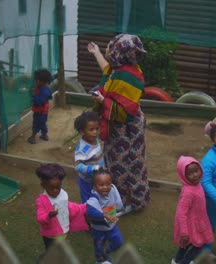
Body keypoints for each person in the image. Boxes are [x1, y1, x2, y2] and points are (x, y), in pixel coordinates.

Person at [87, 34, 150, 213]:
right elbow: (107, 70)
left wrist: (102, 100)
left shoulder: (129, 75)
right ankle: (121, 198)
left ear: (118, 52)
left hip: (127, 130)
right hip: (117, 127)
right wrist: (96, 53)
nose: (108, 49)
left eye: (109, 46)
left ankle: (131, 202)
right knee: (114, 163)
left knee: (128, 165)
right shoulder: (119, 69)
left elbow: (123, 111)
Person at [35, 163, 88, 252]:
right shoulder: (41, 201)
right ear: (43, 186)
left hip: (64, 230)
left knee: (60, 250)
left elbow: (67, 206)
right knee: (51, 253)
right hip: (51, 235)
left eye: (58, 187)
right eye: (52, 188)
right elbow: (40, 217)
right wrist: (48, 216)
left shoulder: (63, 194)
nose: (56, 191)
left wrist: (83, 207)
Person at [172, 156, 215, 264]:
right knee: (198, 246)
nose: (195, 175)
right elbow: (181, 213)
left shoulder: (197, 184)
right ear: (183, 176)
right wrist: (184, 232)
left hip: (196, 223)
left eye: (196, 171)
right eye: (190, 174)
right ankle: (184, 262)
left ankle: (176, 261)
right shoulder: (188, 192)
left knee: (185, 246)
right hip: (189, 226)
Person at [86, 169, 124, 264]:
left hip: (112, 225)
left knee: (118, 241)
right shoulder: (94, 198)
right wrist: (104, 215)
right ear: (94, 187)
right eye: (101, 185)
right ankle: (100, 259)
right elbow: (90, 210)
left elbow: (118, 201)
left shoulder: (112, 189)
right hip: (98, 229)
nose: (105, 187)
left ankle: (107, 251)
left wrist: (120, 207)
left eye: (108, 184)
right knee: (98, 246)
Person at [74, 111, 105, 203]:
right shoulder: (82, 149)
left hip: (97, 177)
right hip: (87, 180)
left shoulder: (96, 139)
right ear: (82, 131)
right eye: (91, 129)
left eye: (97, 128)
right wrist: (94, 168)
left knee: (97, 196)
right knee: (88, 199)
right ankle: (87, 214)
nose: (95, 132)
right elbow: (77, 166)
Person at [28, 69, 53, 144]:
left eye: (36, 80)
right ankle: (44, 135)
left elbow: (40, 101)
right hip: (44, 112)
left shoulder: (43, 91)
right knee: (43, 123)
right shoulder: (45, 88)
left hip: (40, 111)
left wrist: (33, 96)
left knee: (36, 123)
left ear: (41, 81)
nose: (35, 81)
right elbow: (50, 96)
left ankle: (33, 137)